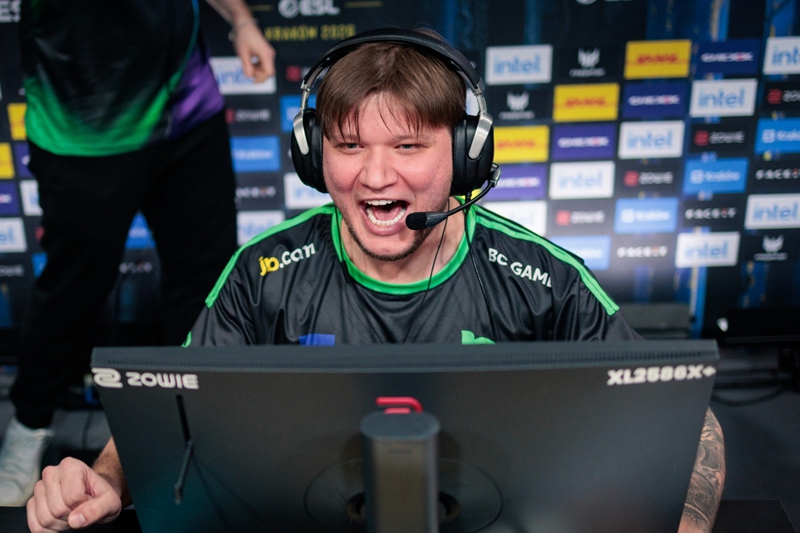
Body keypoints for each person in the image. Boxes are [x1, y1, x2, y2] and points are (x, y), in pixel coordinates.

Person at [24, 29, 725, 533]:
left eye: (409, 145)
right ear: (313, 156)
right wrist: (104, 479)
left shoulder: (543, 278)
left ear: (467, 154)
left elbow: (688, 420)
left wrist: (686, 525)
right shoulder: (261, 274)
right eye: (350, 145)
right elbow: (171, 408)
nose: (377, 175)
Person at [0, 0, 276, 507]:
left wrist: (240, 19)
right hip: (82, 128)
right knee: (72, 290)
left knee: (206, 285)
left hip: (187, 111)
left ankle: (199, 433)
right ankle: (29, 422)